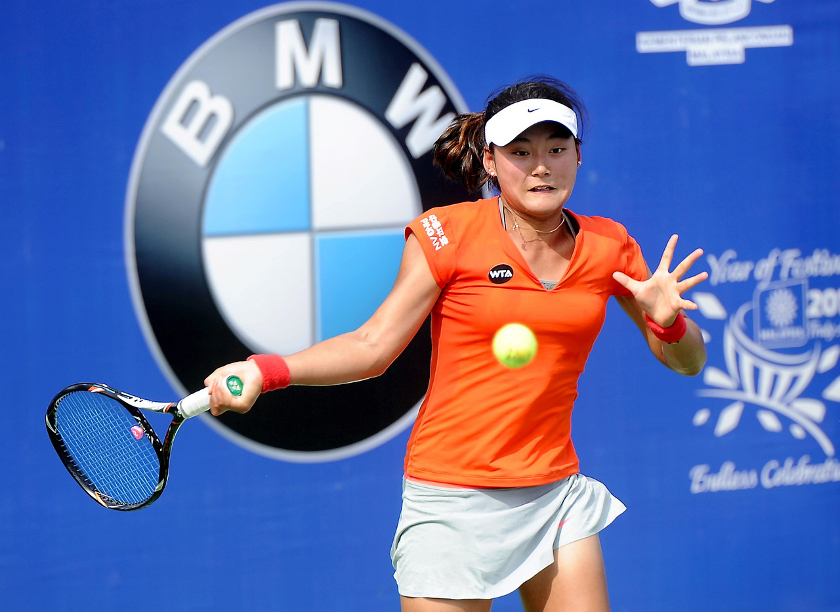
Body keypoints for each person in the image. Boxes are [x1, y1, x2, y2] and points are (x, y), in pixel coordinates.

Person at [205, 76, 708, 612]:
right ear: (490, 161)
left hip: (554, 492)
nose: (542, 166)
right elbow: (373, 345)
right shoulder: (448, 234)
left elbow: (688, 362)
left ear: (578, 156)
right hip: (450, 498)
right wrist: (266, 370)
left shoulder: (610, 244)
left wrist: (668, 322)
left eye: (557, 149)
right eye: (521, 152)